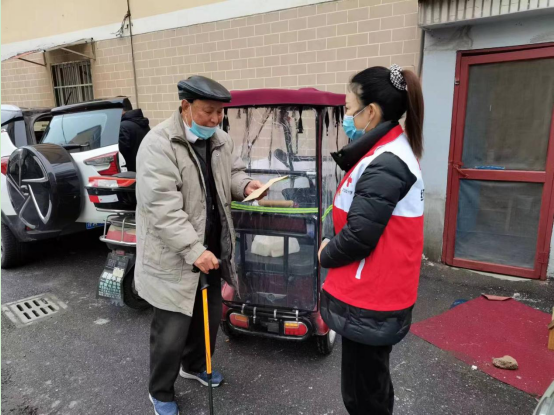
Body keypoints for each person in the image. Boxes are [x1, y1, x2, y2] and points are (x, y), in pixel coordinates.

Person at [134, 75, 265, 415]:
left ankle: (194, 366)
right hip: (174, 256)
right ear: (185, 106)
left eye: (220, 112)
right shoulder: (158, 144)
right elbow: (162, 209)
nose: (215, 119)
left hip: (212, 250)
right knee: (171, 330)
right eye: (208, 111)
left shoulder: (220, 140)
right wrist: (194, 250)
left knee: (206, 320)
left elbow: (232, 173)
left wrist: (246, 185)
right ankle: (160, 392)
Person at [318, 64, 425, 415]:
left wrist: (325, 253)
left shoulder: (387, 162)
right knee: (366, 386)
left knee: (364, 395)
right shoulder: (382, 152)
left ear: (371, 112)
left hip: (373, 295)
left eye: (349, 109)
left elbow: (359, 236)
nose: (346, 117)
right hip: (370, 290)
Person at [118, 99, 150, 172]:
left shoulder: (123, 127)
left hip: (132, 172)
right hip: (145, 168)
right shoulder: (141, 122)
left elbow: (122, 154)